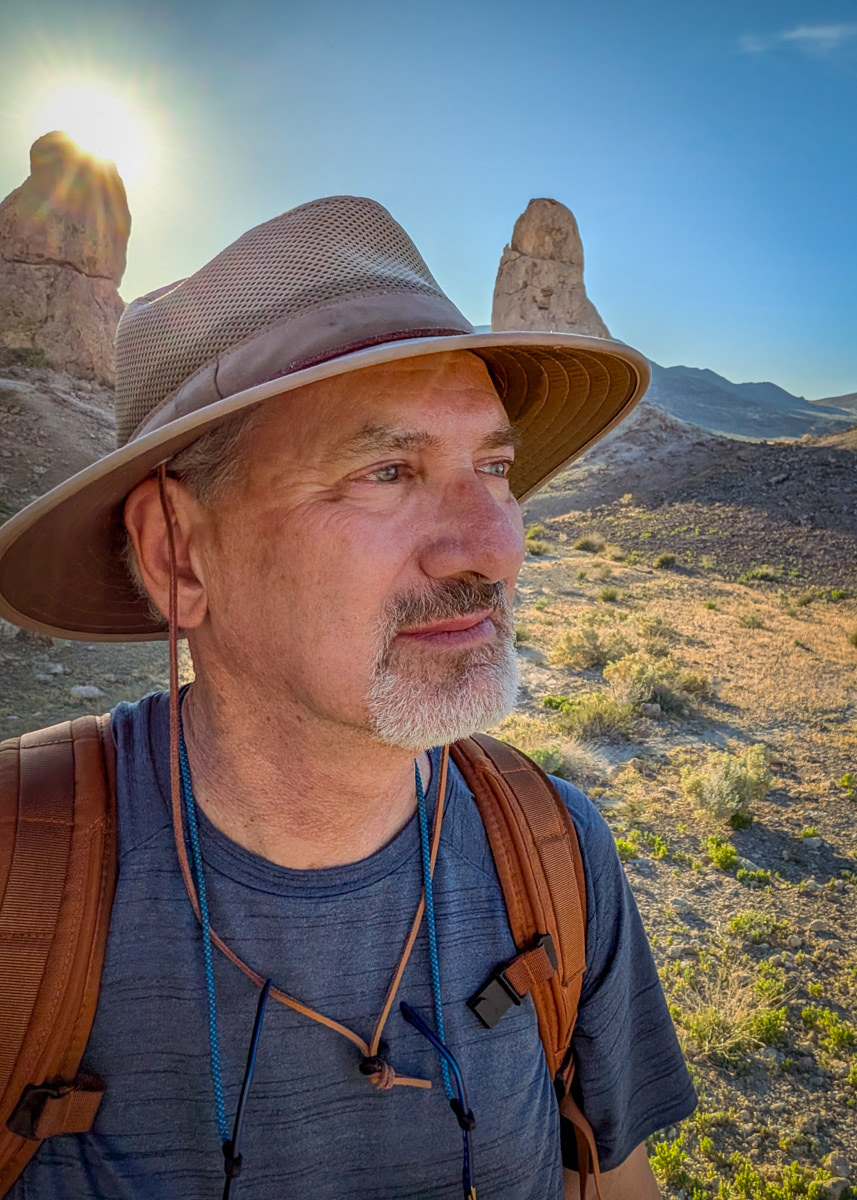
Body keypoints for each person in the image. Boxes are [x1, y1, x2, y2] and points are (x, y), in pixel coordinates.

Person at [0, 195, 696, 1199]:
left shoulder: (552, 854)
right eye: (385, 470)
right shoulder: (20, 877)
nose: (498, 548)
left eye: (493, 467)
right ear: (178, 554)